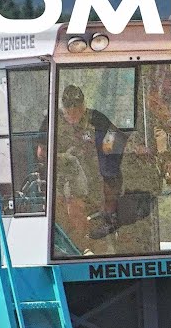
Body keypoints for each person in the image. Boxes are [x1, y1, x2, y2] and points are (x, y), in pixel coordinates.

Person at [41, 84, 127, 240]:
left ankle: (108, 221)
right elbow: (41, 153)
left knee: (109, 178)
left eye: (77, 109)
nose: (74, 114)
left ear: (83, 105)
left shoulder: (97, 119)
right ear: (63, 108)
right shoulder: (52, 121)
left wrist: (104, 151)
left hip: (95, 174)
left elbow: (116, 139)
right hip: (63, 174)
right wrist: (62, 158)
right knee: (67, 205)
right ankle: (70, 237)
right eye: (69, 110)